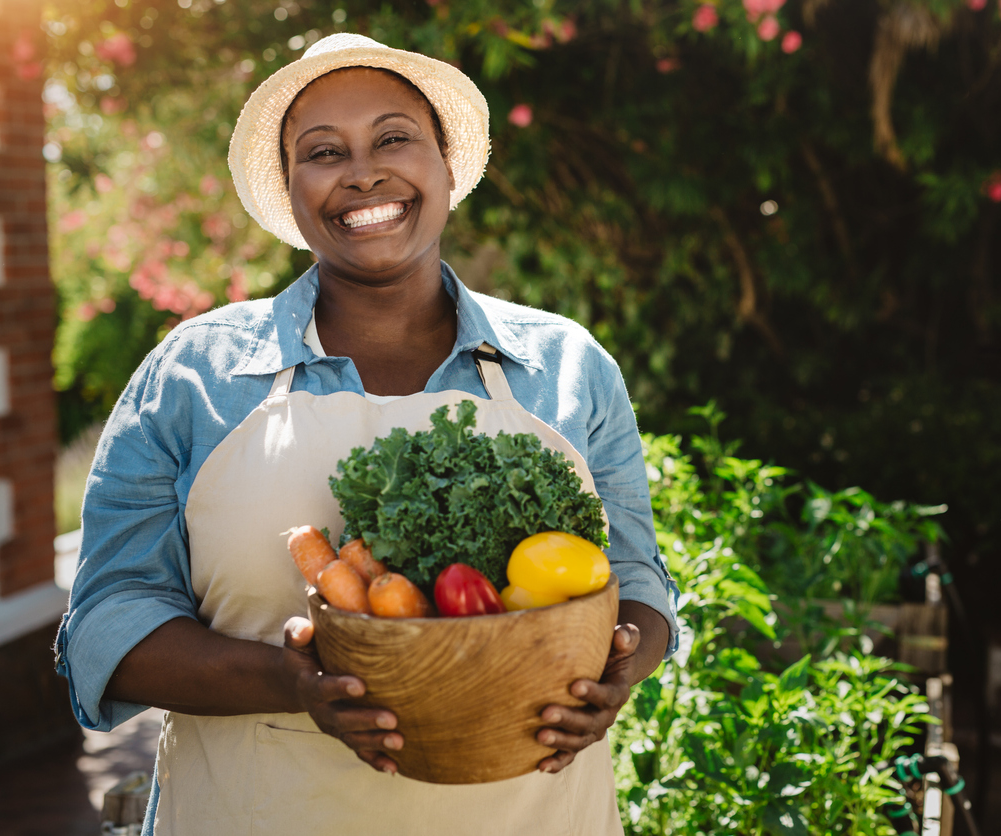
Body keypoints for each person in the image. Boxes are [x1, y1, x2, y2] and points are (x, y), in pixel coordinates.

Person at [54, 33, 678, 836]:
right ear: (291, 188)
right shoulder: (195, 375)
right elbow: (109, 623)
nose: (363, 171)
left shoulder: (565, 365)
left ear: (446, 166)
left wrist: (622, 665)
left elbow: (636, 576)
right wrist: (292, 682)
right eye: (323, 152)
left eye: (393, 137)